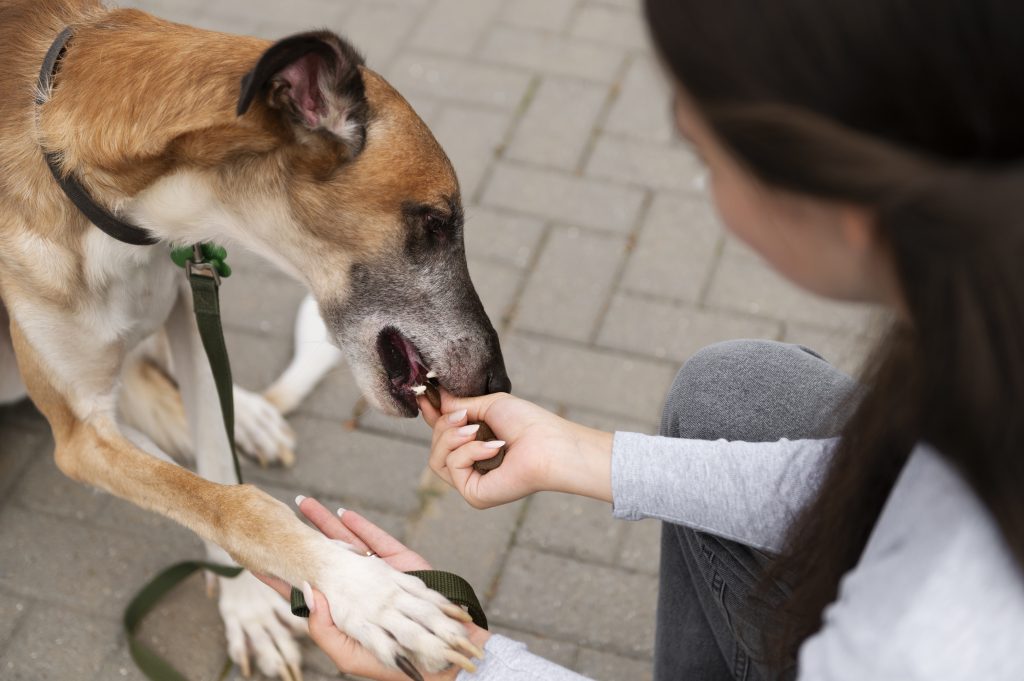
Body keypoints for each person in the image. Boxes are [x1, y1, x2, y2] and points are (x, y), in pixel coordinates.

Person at [264, 0, 1024, 678]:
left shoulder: (935, 634)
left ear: (836, 196)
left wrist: (463, 664)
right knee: (734, 390)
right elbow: (888, 488)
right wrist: (589, 456)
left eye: (706, 157)